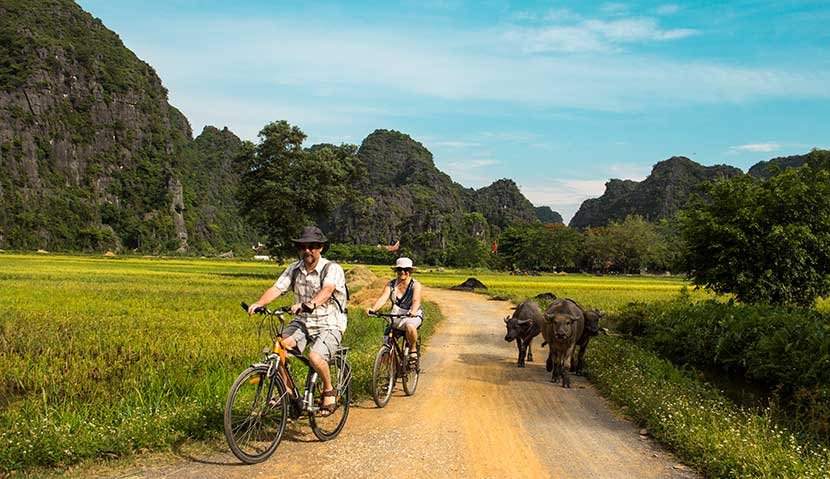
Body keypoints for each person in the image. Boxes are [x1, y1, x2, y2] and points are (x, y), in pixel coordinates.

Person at [247, 226, 347, 416]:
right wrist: (259, 303)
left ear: (321, 248)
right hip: (303, 322)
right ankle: (289, 393)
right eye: (303, 246)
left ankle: (328, 390)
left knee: (316, 358)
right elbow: (277, 288)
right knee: (280, 348)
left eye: (312, 246)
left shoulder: (331, 268)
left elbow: (327, 291)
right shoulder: (294, 269)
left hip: (330, 322)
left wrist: (310, 304)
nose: (307, 250)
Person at [367, 257, 423, 364]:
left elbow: (416, 300)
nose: (403, 272)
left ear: (410, 271)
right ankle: (391, 370)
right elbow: (383, 298)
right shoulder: (391, 284)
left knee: (410, 326)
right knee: (387, 341)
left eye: (406, 269)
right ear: (396, 271)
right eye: (399, 269)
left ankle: (413, 350)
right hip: (396, 315)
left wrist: (414, 311)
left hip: (411, 315)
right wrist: (373, 309)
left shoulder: (415, 285)